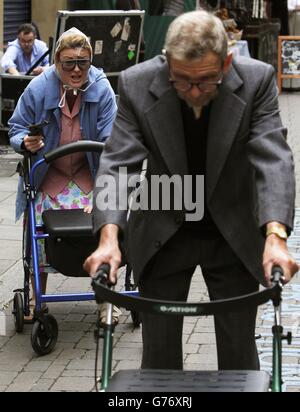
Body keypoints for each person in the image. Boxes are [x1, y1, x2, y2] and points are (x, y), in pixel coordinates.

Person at [84, 10, 298, 370]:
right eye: (182, 81)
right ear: (168, 62)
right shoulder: (137, 84)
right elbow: (119, 164)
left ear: (227, 63)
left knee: (239, 356)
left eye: (206, 81)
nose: (194, 92)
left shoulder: (257, 80)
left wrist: (275, 236)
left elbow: (272, 157)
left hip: (231, 225)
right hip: (164, 224)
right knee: (158, 357)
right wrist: (109, 237)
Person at [8, 27, 121, 324]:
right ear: (57, 61)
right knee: (40, 226)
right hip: (50, 175)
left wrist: (103, 192)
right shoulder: (38, 88)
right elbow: (16, 128)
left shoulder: (102, 89)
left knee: (105, 219)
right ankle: (37, 297)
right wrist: (25, 142)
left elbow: (112, 143)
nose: (76, 69)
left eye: (83, 62)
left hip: (89, 172)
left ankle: (105, 297)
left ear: (90, 61)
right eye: (68, 62)